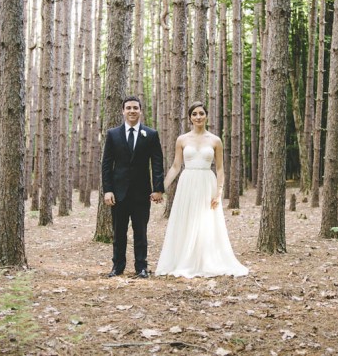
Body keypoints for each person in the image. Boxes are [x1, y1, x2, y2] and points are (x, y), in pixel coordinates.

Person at [155, 101, 248, 278]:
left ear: (206, 116)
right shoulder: (182, 139)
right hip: (187, 182)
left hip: (207, 182)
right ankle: (184, 260)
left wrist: (219, 192)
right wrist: (161, 188)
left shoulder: (215, 140)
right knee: (187, 220)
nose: (198, 117)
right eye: (194, 114)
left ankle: (205, 260)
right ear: (190, 118)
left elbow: (220, 169)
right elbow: (176, 166)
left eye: (201, 113)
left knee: (206, 222)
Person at [102, 96, 164, 278]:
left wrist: (158, 188)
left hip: (142, 193)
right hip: (118, 193)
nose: (132, 111)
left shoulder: (151, 134)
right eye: (128, 108)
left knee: (141, 232)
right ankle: (117, 266)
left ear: (140, 111)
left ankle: (141, 267)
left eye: (135, 108)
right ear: (123, 111)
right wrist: (108, 190)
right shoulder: (113, 134)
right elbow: (106, 164)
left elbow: (157, 163)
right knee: (119, 232)